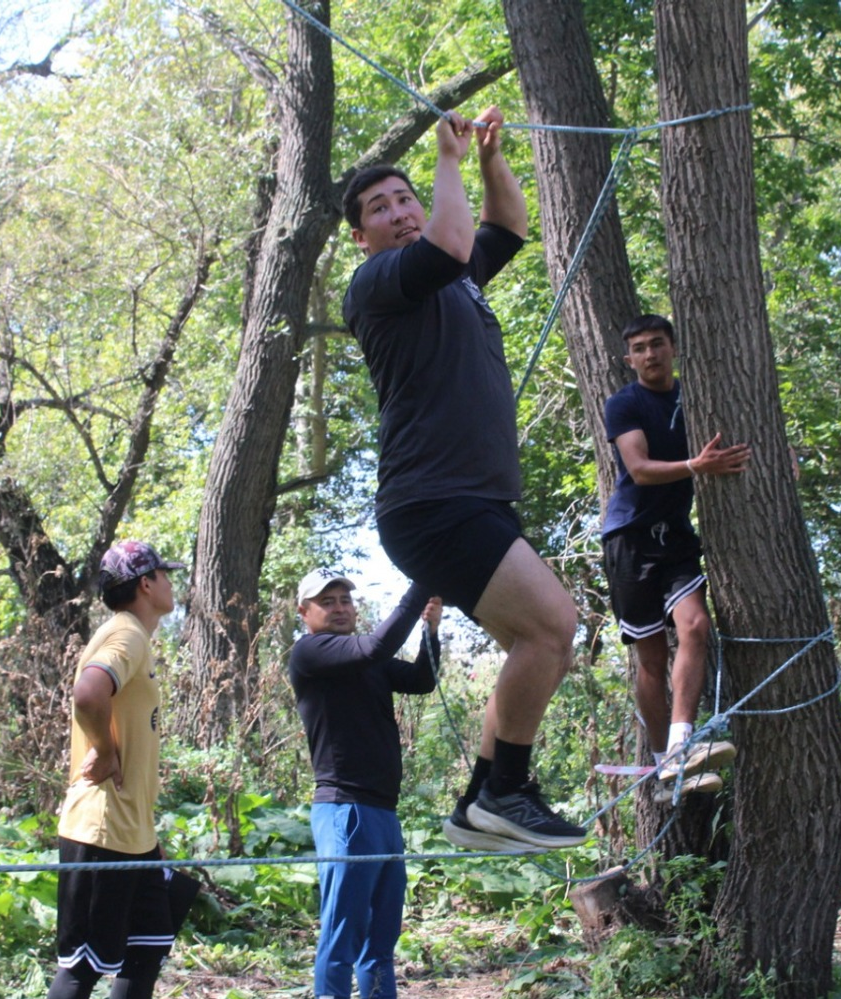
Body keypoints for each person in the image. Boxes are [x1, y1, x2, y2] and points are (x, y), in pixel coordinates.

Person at [341, 106, 586, 851]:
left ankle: (481, 800)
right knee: (554, 624)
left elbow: (506, 226)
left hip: (471, 500)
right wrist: (444, 162)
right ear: (362, 237)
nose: (398, 211)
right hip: (432, 500)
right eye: (380, 207)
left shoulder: (454, 279)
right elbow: (450, 242)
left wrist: (484, 161)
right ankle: (507, 789)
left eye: (405, 197)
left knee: (542, 642)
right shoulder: (379, 281)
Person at [601, 315, 750, 797]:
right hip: (629, 536)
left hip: (677, 536)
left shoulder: (698, 395)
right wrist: (695, 466)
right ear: (630, 359)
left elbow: (743, 432)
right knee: (650, 656)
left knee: (695, 627)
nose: (650, 355)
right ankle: (664, 763)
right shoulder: (624, 403)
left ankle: (684, 741)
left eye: (657, 344)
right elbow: (640, 469)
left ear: (674, 346)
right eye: (640, 348)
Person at [48, 541, 200, 999]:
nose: (172, 583)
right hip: (101, 829)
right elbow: (89, 694)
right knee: (83, 969)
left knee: (146, 952)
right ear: (146, 583)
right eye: (165, 575)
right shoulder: (127, 633)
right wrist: (106, 749)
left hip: (135, 834)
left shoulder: (135, 636)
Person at [289, 568, 442, 999]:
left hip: (382, 811)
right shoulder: (311, 653)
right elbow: (376, 646)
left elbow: (420, 681)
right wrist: (423, 578)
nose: (340, 608)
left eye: (345, 601)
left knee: (381, 939)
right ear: (305, 613)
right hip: (345, 810)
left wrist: (431, 630)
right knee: (343, 936)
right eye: (328, 602)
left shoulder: (365, 660)